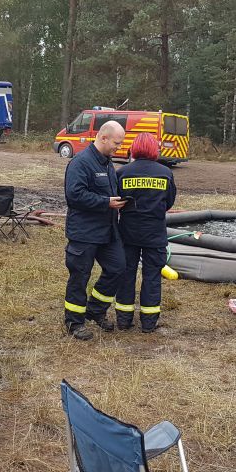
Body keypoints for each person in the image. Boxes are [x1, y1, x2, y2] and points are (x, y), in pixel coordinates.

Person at [63, 120, 128, 341]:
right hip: (84, 232)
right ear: (103, 137)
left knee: (118, 268)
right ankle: (74, 322)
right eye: (116, 143)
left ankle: (95, 309)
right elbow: (74, 195)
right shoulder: (81, 163)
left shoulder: (107, 163)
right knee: (80, 276)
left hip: (108, 232)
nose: (119, 147)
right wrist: (106, 202)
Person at [116, 133, 177, 332]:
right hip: (155, 234)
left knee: (126, 275)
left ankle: (123, 320)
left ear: (134, 149)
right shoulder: (165, 173)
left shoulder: (122, 172)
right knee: (152, 277)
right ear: (154, 149)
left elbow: (116, 200)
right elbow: (169, 202)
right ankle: (149, 323)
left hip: (128, 233)